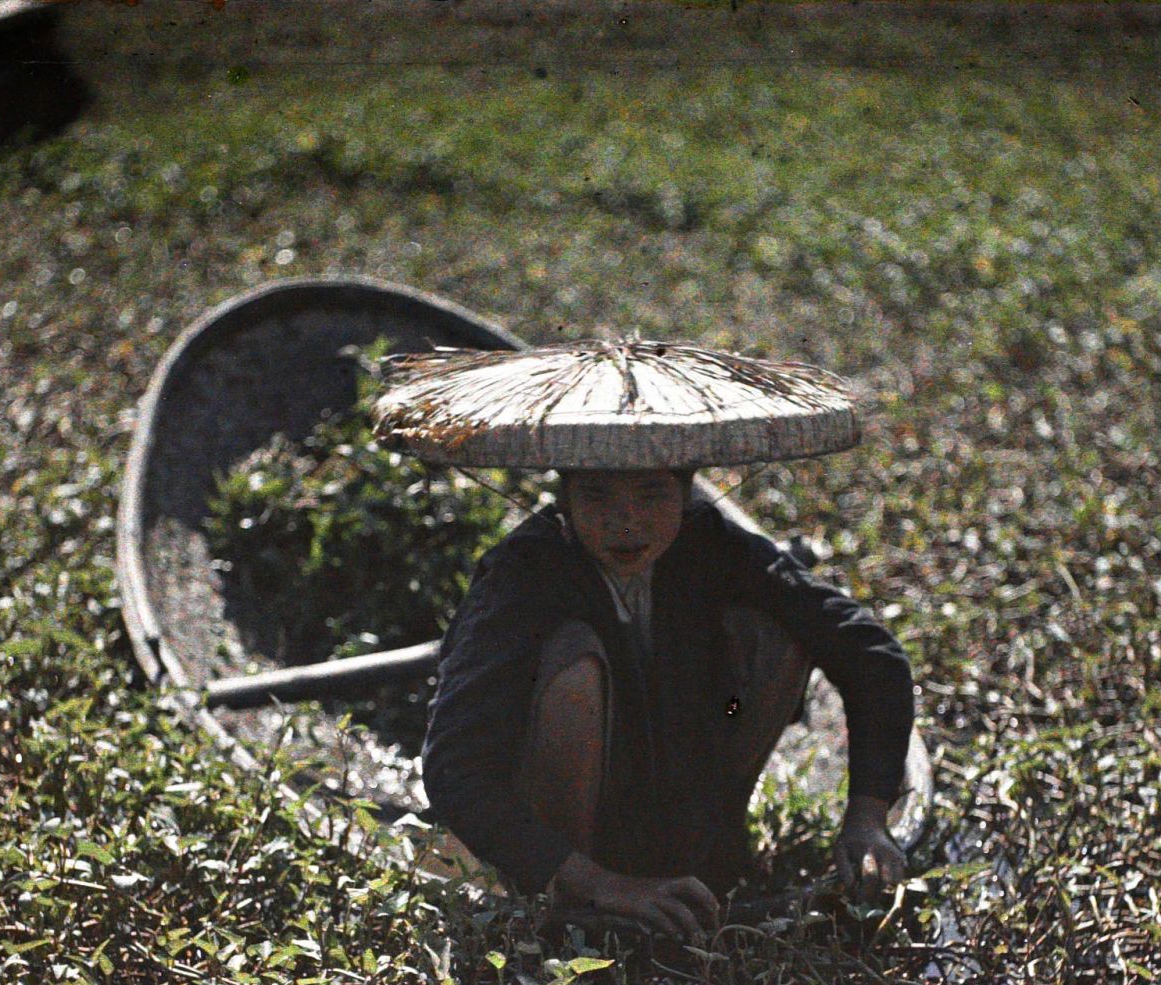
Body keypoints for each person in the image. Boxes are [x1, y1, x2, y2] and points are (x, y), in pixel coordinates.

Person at [373, 341, 917, 939]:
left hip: (677, 781)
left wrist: (868, 817)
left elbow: (870, 652)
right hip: (566, 831)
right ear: (566, 497)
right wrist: (599, 882)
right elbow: (454, 770)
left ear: (686, 494)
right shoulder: (524, 575)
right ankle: (574, 892)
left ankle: (710, 843)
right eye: (598, 496)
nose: (624, 522)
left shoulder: (708, 541)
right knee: (574, 667)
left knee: (783, 629)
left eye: (651, 496)